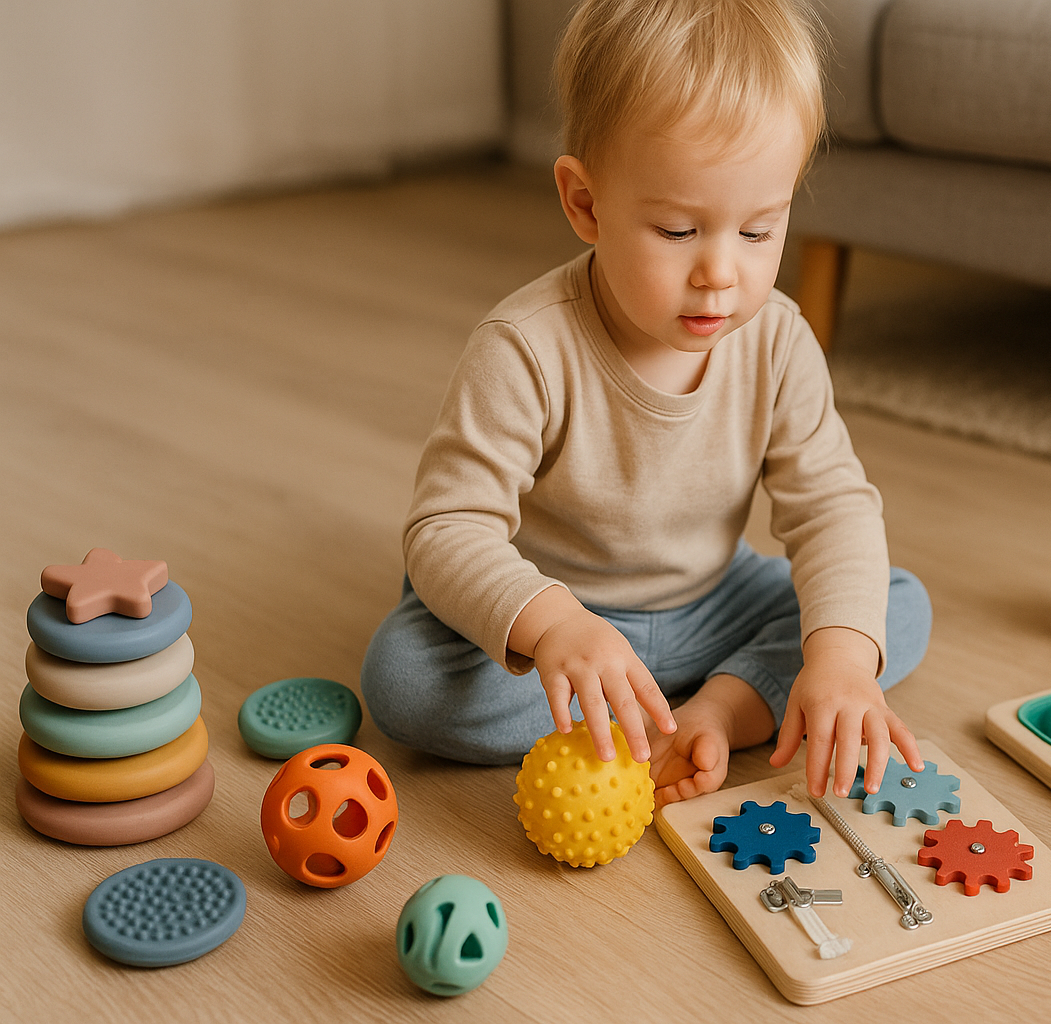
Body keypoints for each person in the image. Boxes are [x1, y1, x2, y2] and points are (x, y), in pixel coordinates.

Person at [361, 0, 931, 806]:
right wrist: (553, 625)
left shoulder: (777, 340)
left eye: (759, 231)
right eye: (676, 231)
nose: (720, 274)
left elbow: (833, 507)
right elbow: (446, 529)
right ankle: (659, 693)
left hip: (710, 600)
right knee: (407, 681)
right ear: (586, 204)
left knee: (892, 608)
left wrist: (838, 661)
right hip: (560, 603)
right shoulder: (525, 347)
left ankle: (716, 708)